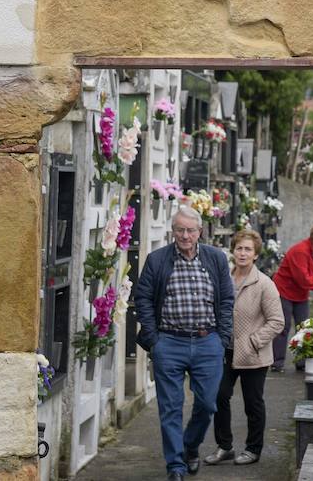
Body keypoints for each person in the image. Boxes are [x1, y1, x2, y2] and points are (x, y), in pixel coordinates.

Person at [134, 206, 235, 481]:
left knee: (208, 403)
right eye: (180, 230)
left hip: (208, 342)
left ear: (200, 231)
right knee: (170, 407)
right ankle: (175, 466)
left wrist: (222, 339)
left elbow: (226, 300)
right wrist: (155, 341)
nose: (185, 236)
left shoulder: (215, 258)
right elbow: (142, 298)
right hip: (169, 342)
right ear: (173, 231)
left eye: (190, 230)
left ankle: (190, 445)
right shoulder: (157, 260)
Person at [204, 229, 284, 467]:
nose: (243, 253)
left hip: (253, 354)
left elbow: (277, 321)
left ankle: (253, 449)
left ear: (256, 254)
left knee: (253, 403)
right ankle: (225, 446)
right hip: (225, 351)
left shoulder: (265, 284)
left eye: (248, 249)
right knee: (218, 396)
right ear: (233, 251)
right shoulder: (223, 279)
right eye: (239, 248)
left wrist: (253, 341)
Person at [270, 222, 313, 372]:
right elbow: (304, 279)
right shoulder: (300, 251)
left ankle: (302, 361)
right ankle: (277, 362)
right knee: (283, 327)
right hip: (284, 291)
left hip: (300, 293)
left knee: (304, 327)